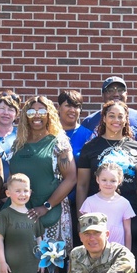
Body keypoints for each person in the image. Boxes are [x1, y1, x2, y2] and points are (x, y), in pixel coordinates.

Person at [7, 95, 76, 273]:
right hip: (22, 215)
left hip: (53, 214)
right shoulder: (17, 144)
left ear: (49, 114)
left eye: (41, 111)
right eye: (30, 112)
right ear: (24, 116)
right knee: (24, 263)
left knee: (52, 265)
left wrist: (47, 206)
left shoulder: (59, 143)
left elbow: (71, 178)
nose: (36, 116)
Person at [76, 99, 137, 273]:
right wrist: (81, 219)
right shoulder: (90, 148)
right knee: (97, 264)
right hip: (97, 214)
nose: (116, 120)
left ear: (126, 120)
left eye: (120, 116)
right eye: (111, 116)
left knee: (130, 262)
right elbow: (82, 185)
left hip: (129, 214)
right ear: (104, 118)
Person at [80, 77, 137, 153]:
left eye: (120, 90)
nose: (116, 94)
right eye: (110, 90)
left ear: (126, 94)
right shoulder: (89, 121)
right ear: (103, 95)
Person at [58, 90, 95, 245]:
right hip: (53, 202)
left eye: (77, 106)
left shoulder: (88, 135)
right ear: (59, 108)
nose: (72, 110)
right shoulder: (48, 134)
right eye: (68, 106)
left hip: (79, 202)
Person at [80, 162, 135, 250]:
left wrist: (128, 253)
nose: (108, 184)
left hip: (117, 251)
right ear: (97, 179)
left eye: (113, 181)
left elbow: (127, 231)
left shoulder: (124, 203)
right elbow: (85, 230)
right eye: (104, 180)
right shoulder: (90, 202)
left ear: (119, 181)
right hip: (95, 251)